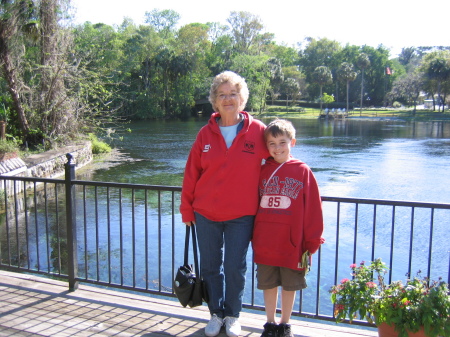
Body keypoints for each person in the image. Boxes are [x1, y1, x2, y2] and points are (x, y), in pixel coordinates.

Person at [180, 71, 269, 337]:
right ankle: (215, 314)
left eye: (233, 94)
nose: (228, 99)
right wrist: (187, 209)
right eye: (222, 95)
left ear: (242, 99)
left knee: (235, 266)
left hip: (242, 215)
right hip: (205, 213)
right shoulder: (205, 134)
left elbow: (278, 160)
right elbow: (191, 173)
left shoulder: (259, 131)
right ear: (215, 102)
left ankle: (233, 315)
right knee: (209, 266)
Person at [252, 119, 324, 337]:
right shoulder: (261, 171)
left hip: (292, 242)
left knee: (290, 285)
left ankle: (285, 324)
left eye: (282, 142)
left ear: (292, 142)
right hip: (265, 242)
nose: (277, 148)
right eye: (272, 143)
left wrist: (312, 241)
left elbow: (313, 208)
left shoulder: (303, 171)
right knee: (268, 284)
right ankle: (270, 323)